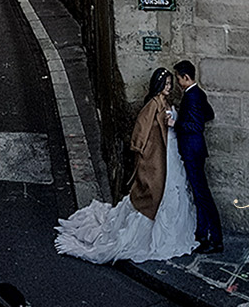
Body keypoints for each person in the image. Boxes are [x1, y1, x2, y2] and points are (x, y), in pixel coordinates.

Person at [54, 67, 197, 263]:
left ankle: (172, 234)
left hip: (171, 152)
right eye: (166, 85)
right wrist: (144, 155)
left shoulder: (166, 102)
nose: (168, 88)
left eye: (170, 84)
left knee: (174, 191)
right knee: (160, 191)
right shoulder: (152, 105)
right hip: (159, 156)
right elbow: (140, 134)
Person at [173, 60, 223, 254]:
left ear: (186, 77)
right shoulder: (198, 93)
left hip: (192, 150)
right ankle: (203, 235)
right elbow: (208, 114)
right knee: (200, 194)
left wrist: (175, 123)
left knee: (203, 196)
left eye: (178, 79)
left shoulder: (192, 96)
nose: (178, 83)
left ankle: (215, 239)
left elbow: (196, 126)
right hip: (196, 150)